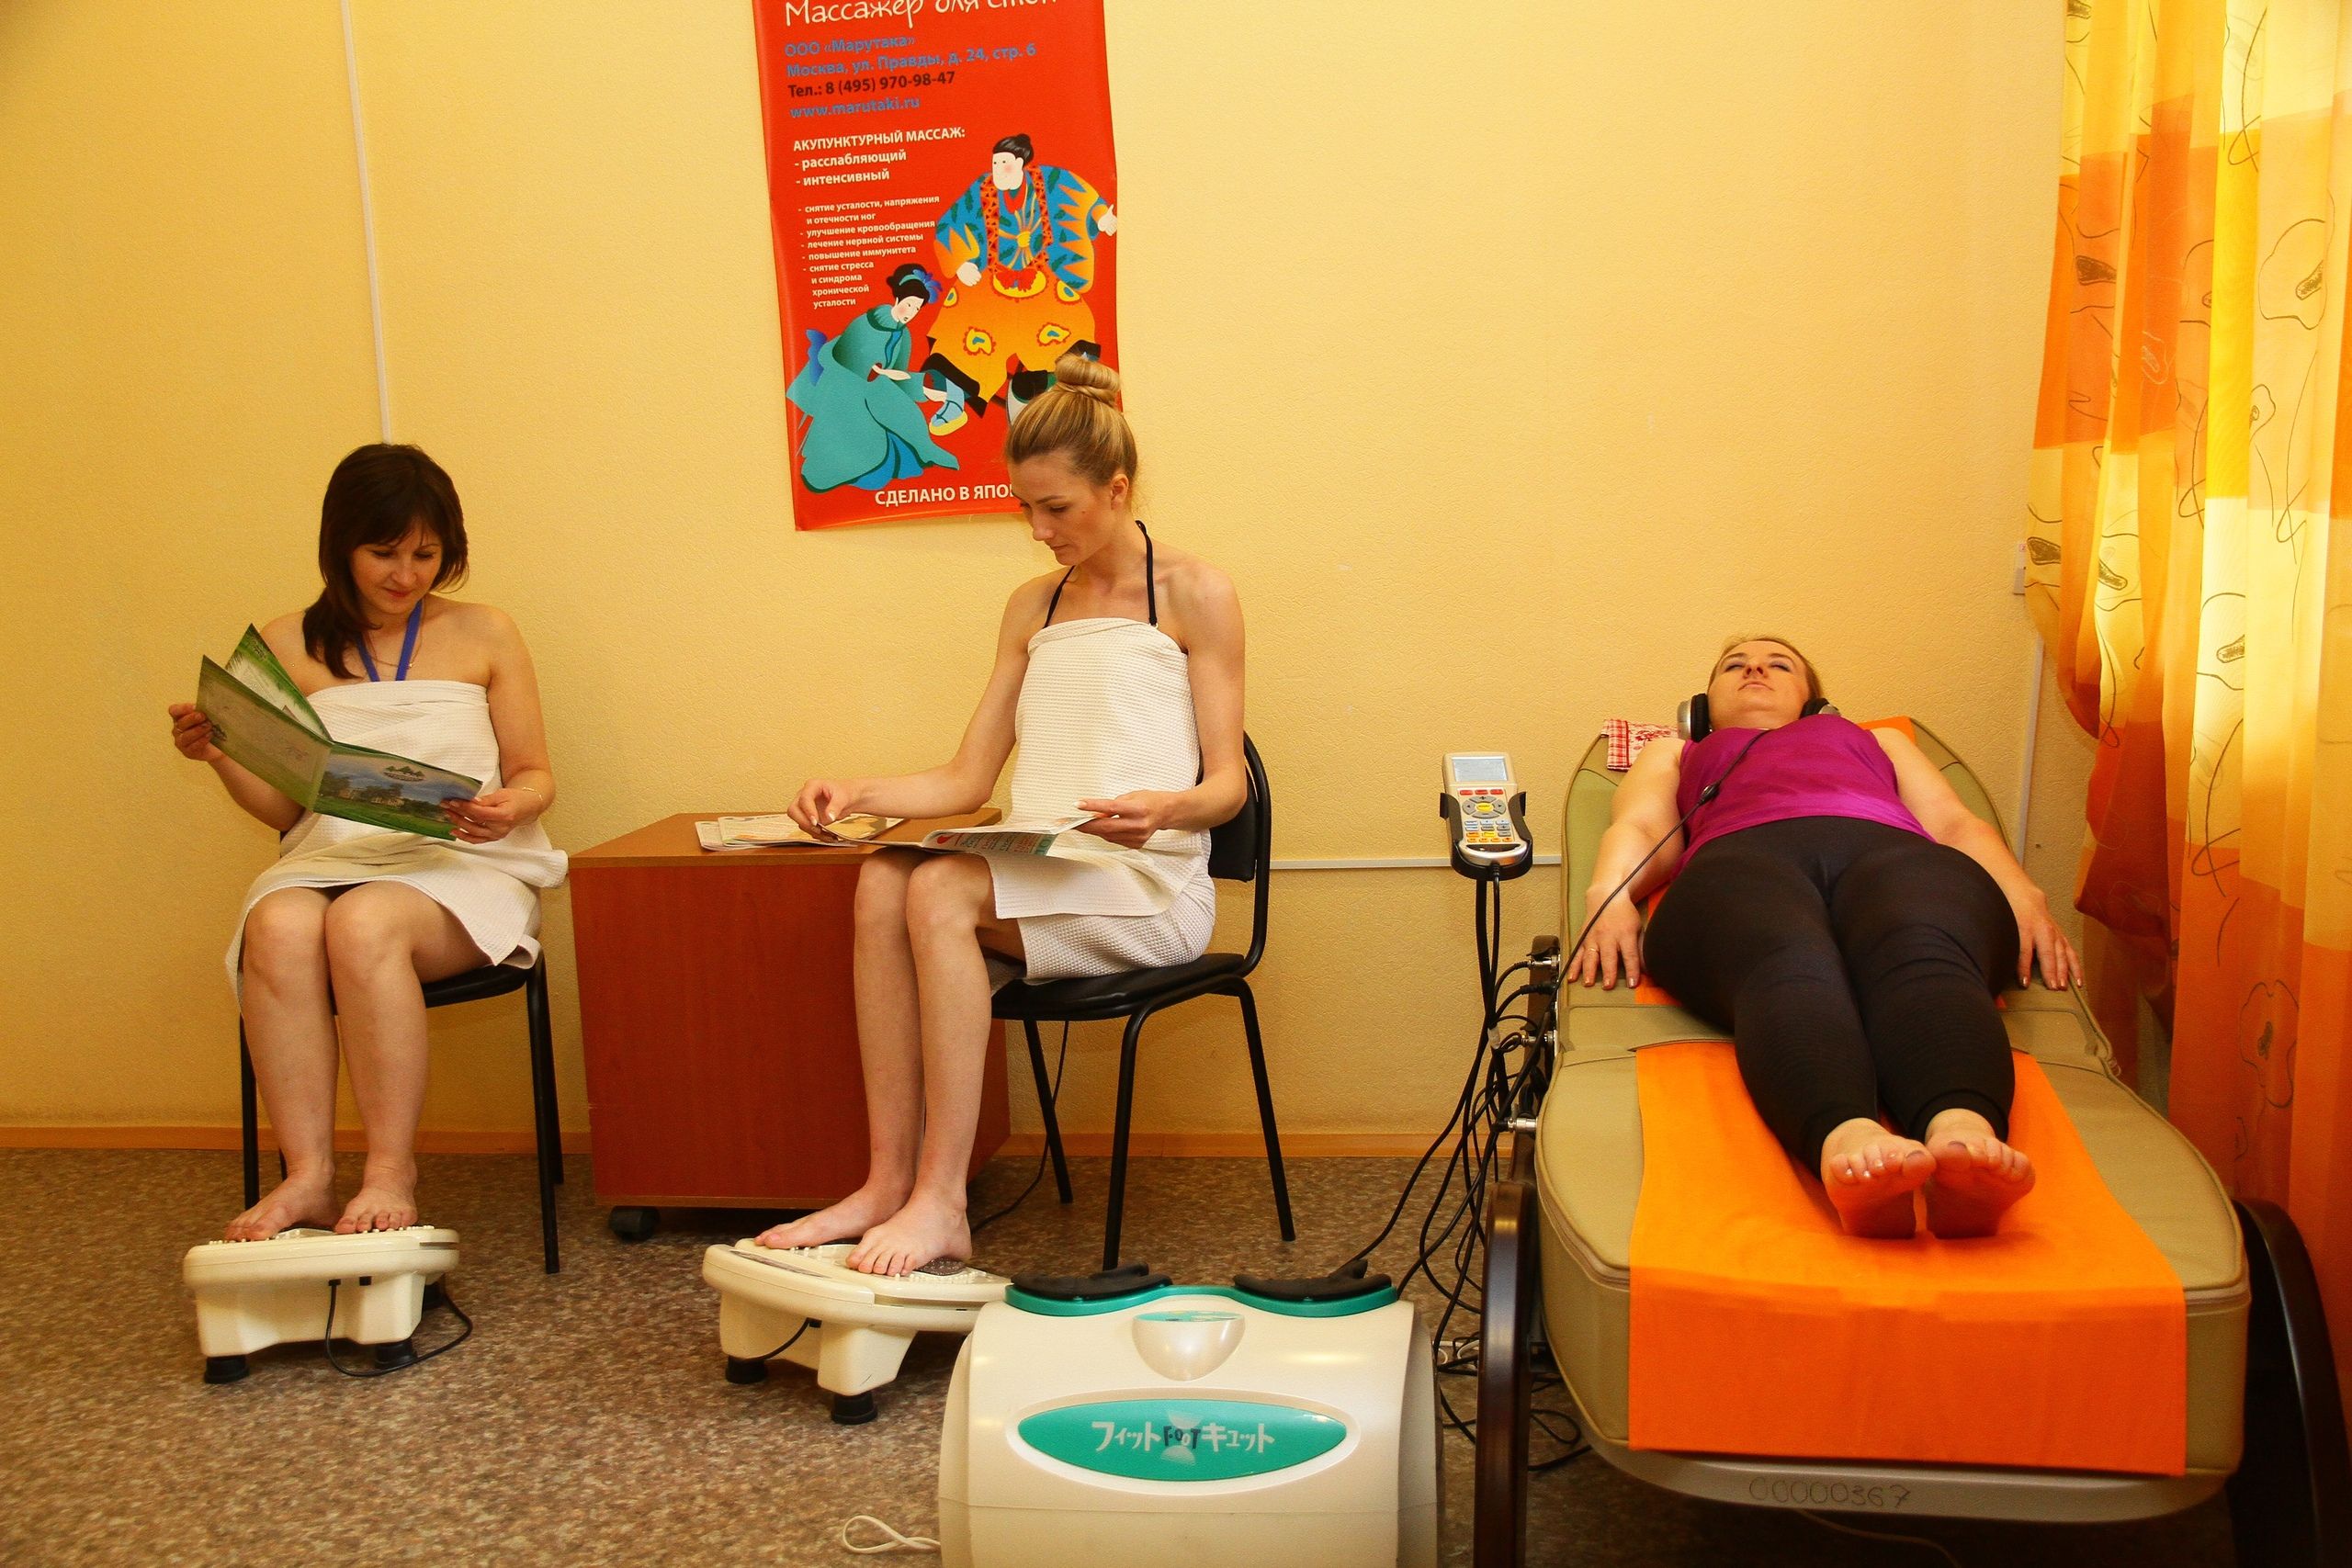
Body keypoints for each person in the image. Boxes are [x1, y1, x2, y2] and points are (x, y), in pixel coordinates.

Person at [756, 354, 1243, 1276]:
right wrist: (855, 792)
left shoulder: (1197, 593)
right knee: (883, 877)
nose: (1037, 530)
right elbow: (966, 776)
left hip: (1151, 886)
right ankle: (887, 1181)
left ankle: (941, 1203)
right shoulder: (1031, 606)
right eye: (1024, 508)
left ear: (1117, 489)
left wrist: (1165, 808)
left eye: (1055, 508)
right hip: (1049, 871)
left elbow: (1228, 787)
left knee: (939, 890)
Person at [168, 445, 565, 1239]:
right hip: (330, 855)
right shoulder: (286, 643)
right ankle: (309, 1176)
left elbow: (534, 772)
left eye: (426, 554)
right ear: (341, 544)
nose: (406, 574)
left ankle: (389, 1171)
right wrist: (219, 755)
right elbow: (286, 806)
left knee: (363, 922)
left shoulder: (487, 631)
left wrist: (510, 805)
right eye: (384, 552)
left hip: (463, 862)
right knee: (276, 926)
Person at [1566, 637, 2082, 1239]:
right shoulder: (1677, 751)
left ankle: (1962, 1135)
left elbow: (1952, 821)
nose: (1755, 669)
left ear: (1816, 702)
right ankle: (1848, 1141)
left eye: (1778, 663)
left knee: (1922, 946)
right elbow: (1642, 825)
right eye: (1735, 665)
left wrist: (2023, 893)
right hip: (1741, 861)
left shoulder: (1879, 740)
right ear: (1700, 708)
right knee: (1785, 960)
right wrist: (1609, 894)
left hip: (1893, 854)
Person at [923, 133, 1117, 432]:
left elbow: (1081, 199)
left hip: (1040, 280)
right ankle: (954, 401)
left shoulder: (1048, 181)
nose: (998, 169)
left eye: (1004, 162)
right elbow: (952, 223)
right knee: (960, 327)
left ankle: (1057, 404)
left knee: (1072, 323)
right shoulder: (982, 190)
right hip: (990, 282)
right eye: (995, 163)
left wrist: (1100, 216)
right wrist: (961, 262)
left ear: (1020, 162)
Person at [787, 263, 960, 493]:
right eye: (909, 304)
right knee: (872, 439)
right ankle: (825, 470)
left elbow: (897, 376)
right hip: (845, 391)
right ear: (898, 299)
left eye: (917, 309)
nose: (911, 312)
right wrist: (881, 379)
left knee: (902, 410)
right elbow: (848, 366)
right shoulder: (865, 324)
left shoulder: (904, 335)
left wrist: (924, 389)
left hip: (876, 389)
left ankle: (925, 447)